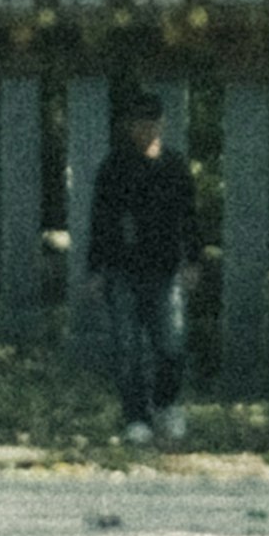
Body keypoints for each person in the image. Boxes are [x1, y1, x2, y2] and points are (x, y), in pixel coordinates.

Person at [84, 80, 201, 446]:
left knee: (173, 345)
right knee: (127, 349)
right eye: (139, 123)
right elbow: (100, 220)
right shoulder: (115, 166)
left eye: (152, 122)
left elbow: (190, 218)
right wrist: (95, 270)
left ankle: (165, 404)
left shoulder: (176, 166)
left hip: (165, 269)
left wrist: (194, 260)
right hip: (123, 270)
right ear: (129, 126)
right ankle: (135, 416)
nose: (146, 129)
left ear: (162, 125)